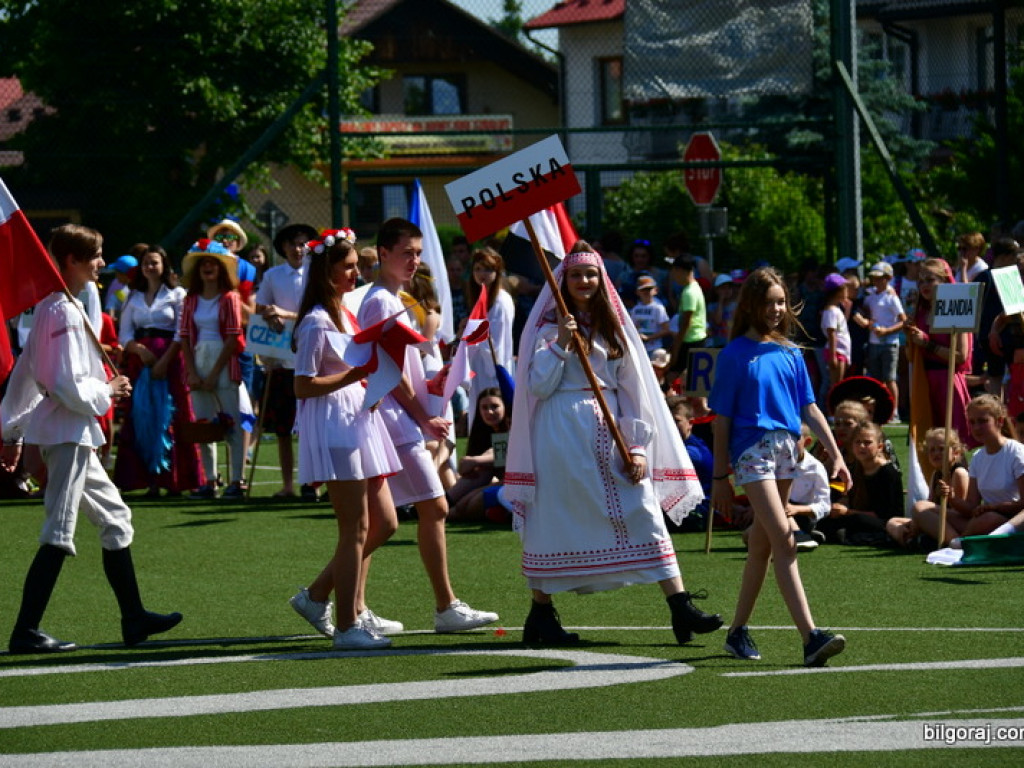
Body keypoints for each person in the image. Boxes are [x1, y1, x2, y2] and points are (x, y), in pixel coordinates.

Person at [505, 241, 720, 647]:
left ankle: (680, 605)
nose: (583, 281)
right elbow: (537, 386)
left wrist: (637, 446)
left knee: (642, 508)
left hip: (609, 432)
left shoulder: (614, 328)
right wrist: (563, 345)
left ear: (602, 280)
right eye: (575, 275)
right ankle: (541, 614)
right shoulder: (547, 330)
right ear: (563, 282)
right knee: (553, 516)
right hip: (558, 432)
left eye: (590, 274)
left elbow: (633, 391)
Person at [1, 224, 182, 653]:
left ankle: (133, 618)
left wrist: (12, 429)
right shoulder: (61, 310)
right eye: (96, 255)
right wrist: (108, 391)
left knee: (116, 519)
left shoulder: (58, 305)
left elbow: (26, 372)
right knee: (59, 531)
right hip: (67, 433)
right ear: (72, 261)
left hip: (73, 432)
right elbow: (62, 383)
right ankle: (25, 631)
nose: (103, 261)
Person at [358, 217, 499, 632]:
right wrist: (423, 413)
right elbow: (390, 369)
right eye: (407, 252)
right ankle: (444, 607)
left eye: (417, 253)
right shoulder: (382, 300)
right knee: (425, 509)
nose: (415, 260)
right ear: (383, 253)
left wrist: (433, 382)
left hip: (395, 416)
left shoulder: (392, 298)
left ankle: (348, 603)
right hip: (393, 419)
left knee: (384, 520)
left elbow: (401, 365)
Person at [709, 266, 850, 666]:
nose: (776, 309)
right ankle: (810, 637)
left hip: (789, 450)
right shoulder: (735, 354)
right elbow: (721, 421)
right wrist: (720, 476)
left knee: (763, 544)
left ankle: (737, 632)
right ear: (752, 304)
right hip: (753, 453)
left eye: (781, 301)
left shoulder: (790, 352)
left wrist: (835, 452)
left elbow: (809, 406)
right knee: (785, 538)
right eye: (769, 302)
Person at [287, 231, 403, 650]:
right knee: (355, 526)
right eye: (349, 266)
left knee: (385, 522)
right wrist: (355, 377)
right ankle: (348, 625)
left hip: (358, 418)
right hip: (336, 425)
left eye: (357, 264)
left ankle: (319, 596)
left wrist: (371, 380)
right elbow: (302, 385)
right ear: (328, 272)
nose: (358, 272)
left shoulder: (343, 313)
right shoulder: (317, 320)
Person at [114, 244, 203, 496]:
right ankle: (148, 480)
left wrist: (165, 361)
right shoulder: (132, 297)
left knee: (171, 417)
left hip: (171, 364)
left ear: (164, 265)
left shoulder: (176, 295)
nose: (150, 267)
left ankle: (174, 480)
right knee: (142, 416)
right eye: (145, 263)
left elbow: (181, 331)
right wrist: (140, 351)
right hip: (140, 364)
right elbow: (125, 334)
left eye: (154, 262)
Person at [178, 239, 248, 500]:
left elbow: (233, 338)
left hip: (224, 363)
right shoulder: (191, 300)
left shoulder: (230, 298)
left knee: (232, 420)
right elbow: (184, 336)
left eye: (212, 263)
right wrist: (193, 372)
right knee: (204, 424)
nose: (208, 267)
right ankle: (209, 479)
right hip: (198, 359)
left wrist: (214, 373)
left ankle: (237, 480)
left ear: (221, 269)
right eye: (203, 263)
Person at [254, 223, 317, 499]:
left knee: (311, 428)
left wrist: (286, 315)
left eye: (303, 243)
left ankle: (313, 483)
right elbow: (262, 308)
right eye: (292, 244)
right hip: (282, 358)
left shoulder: (317, 274)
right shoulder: (273, 275)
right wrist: (271, 316)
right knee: (282, 429)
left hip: (312, 357)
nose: (297, 249)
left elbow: (320, 310)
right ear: (283, 248)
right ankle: (288, 484)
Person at [933, 394, 1024, 542]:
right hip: (983, 518)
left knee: (989, 518)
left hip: (1012, 520)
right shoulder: (978, 457)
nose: (976, 427)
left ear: (999, 421)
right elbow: (971, 507)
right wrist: (952, 497)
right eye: (972, 422)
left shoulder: (1017, 453)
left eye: (983, 421)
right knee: (923, 508)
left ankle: (958, 542)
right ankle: (954, 540)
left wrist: (994, 507)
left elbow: (1022, 505)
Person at [905, 258, 975, 448]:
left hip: (947, 382)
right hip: (924, 382)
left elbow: (961, 356)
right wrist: (909, 338)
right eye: (921, 281)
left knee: (953, 446)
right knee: (929, 446)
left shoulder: (957, 310)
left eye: (930, 280)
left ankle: (960, 478)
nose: (924, 285)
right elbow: (911, 357)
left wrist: (927, 344)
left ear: (944, 282)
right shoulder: (919, 313)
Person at [818, 422, 903, 546]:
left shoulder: (888, 472)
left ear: (880, 446)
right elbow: (849, 496)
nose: (861, 446)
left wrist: (847, 512)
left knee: (857, 520)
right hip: (857, 514)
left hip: (885, 521)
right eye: (857, 442)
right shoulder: (855, 468)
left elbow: (884, 514)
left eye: (867, 442)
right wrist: (839, 505)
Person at [462, 246, 515, 426]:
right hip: (479, 369)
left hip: (492, 372)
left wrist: (471, 337)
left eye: (487, 269)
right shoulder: (481, 299)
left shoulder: (500, 302)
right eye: (478, 268)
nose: (481, 274)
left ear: (497, 272)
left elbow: (496, 345)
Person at [897, 427, 970, 547]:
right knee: (893, 522)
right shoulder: (936, 474)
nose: (936, 453)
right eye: (932, 450)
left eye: (941, 449)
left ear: (956, 453)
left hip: (956, 521)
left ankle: (955, 542)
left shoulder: (959, 473)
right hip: (938, 517)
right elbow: (930, 502)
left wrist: (949, 496)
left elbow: (962, 511)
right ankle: (912, 538)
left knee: (919, 507)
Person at [852, 261, 905, 420]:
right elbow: (867, 311)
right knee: (875, 379)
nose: (876, 281)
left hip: (889, 343)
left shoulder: (891, 298)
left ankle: (894, 411)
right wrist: (868, 322)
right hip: (874, 342)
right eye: (874, 278)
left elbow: (903, 320)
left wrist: (887, 331)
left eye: (879, 278)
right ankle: (876, 410)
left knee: (890, 378)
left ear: (888, 278)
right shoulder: (870, 296)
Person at [447, 387, 510, 521]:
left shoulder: (515, 430)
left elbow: (504, 455)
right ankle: (442, 504)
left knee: (461, 509)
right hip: (499, 483)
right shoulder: (482, 434)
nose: (490, 412)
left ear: (505, 407)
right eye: (484, 408)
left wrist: (476, 461)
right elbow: (466, 468)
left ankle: (441, 509)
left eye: (495, 406)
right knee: (480, 472)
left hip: (514, 484)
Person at [667, 256, 707, 389]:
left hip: (690, 341)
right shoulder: (693, 288)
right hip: (696, 339)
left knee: (673, 378)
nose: (672, 275)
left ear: (680, 270)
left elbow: (686, 323)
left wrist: (676, 348)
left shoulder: (689, 292)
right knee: (694, 384)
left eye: (673, 271)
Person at [820, 273, 851, 398]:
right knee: (835, 385)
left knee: (839, 384)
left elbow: (842, 327)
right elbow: (832, 334)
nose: (847, 291)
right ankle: (831, 414)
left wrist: (847, 310)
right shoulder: (831, 311)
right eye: (845, 288)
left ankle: (833, 412)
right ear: (838, 291)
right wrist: (833, 357)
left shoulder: (836, 310)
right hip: (836, 352)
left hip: (840, 352)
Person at [630, 275, 672, 358]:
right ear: (637, 292)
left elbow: (666, 329)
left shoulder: (658, 307)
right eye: (643, 289)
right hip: (640, 348)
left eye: (649, 289)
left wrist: (649, 338)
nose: (646, 292)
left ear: (655, 290)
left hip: (654, 348)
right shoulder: (635, 309)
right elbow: (633, 327)